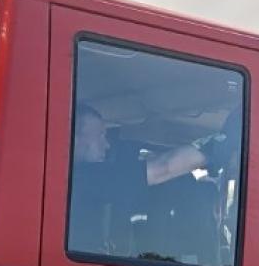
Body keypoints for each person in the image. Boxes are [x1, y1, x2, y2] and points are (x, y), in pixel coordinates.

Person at [67, 104, 235, 257]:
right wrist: (223, 143)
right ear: (74, 138)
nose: (107, 145)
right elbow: (164, 167)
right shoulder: (85, 178)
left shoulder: (76, 179)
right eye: (100, 136)